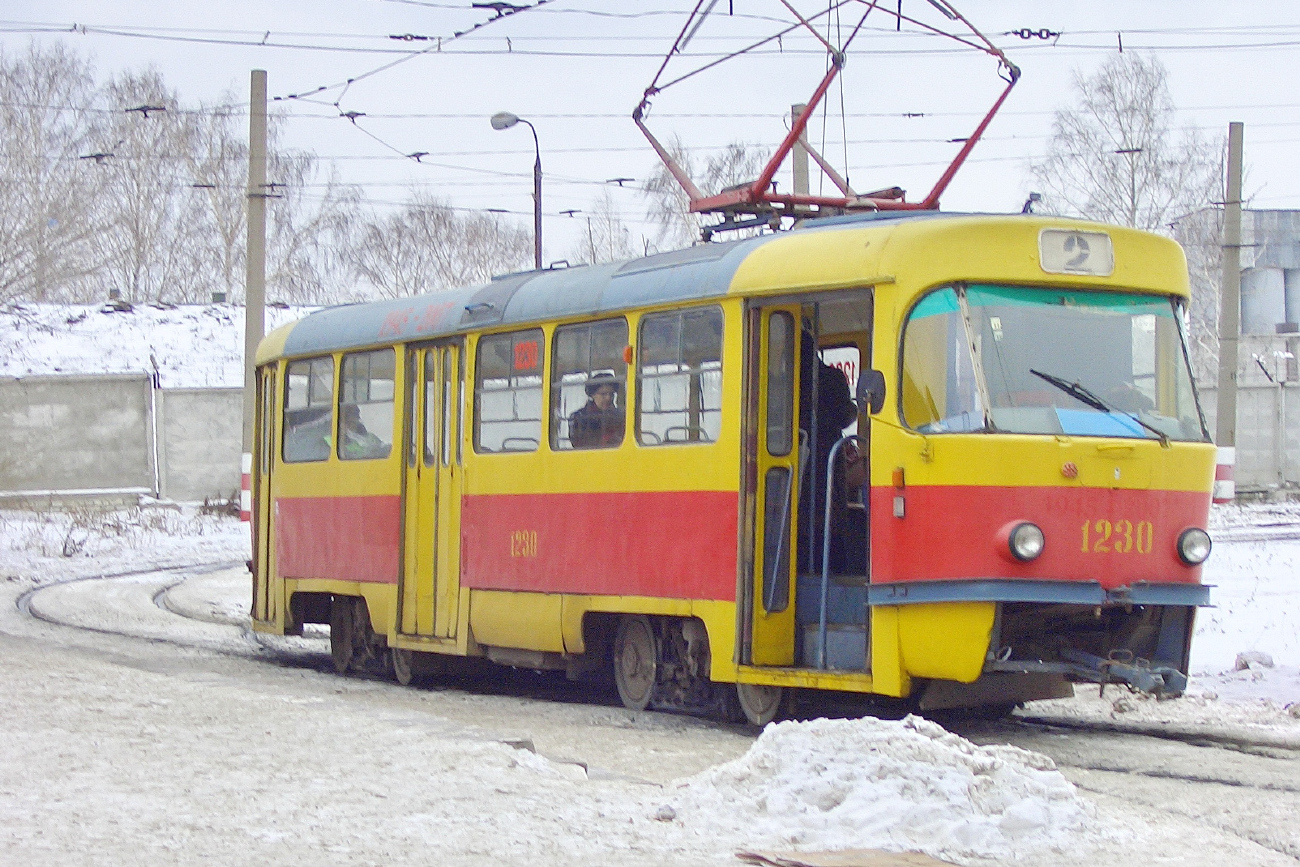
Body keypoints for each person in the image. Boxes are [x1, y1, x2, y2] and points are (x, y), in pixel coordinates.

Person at [568, 373, 625, 448]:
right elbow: (580, 445)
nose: (608, 398)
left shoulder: (619, 416)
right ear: (593, 395)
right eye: (603, 394)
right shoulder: (579, 417)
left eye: (611, 394)